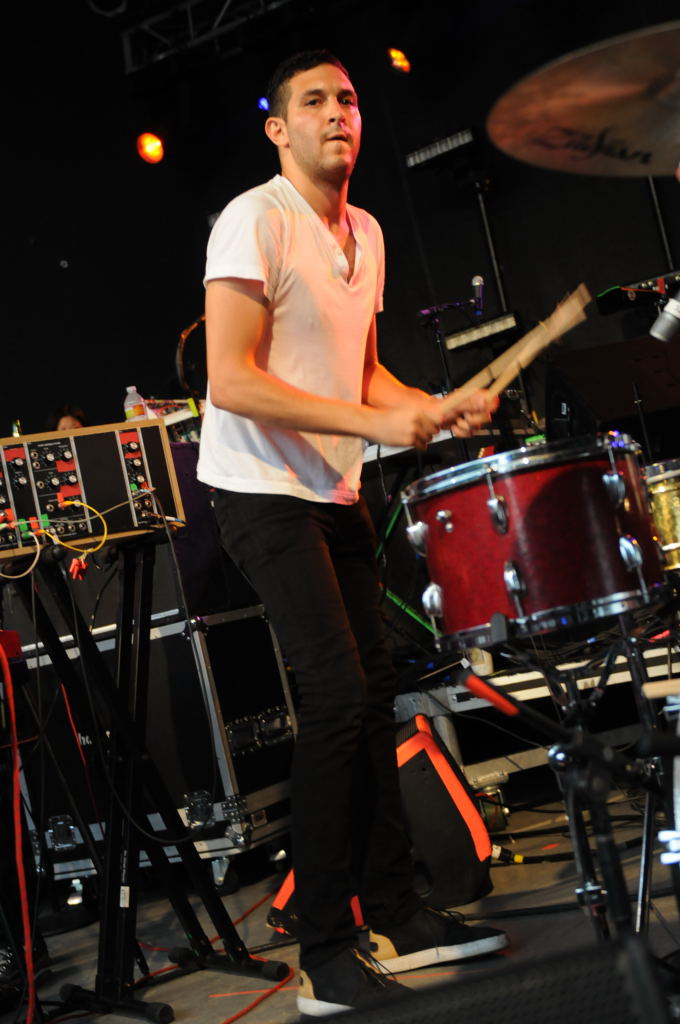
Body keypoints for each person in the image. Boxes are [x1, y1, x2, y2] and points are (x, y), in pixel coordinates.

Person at [197, 49, 507, 1018]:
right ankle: (324, 950)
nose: (338, 113)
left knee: (372, 696)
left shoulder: (363, 230)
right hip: (258, 490)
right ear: (278, 129)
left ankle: (399, 912)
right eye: (315, 101)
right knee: (335, 698)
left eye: (349, 99)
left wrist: (430, 406)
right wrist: (375, 422)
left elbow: (362, 372)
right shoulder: (255, 218)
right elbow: (230, 379)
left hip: (332, 489)